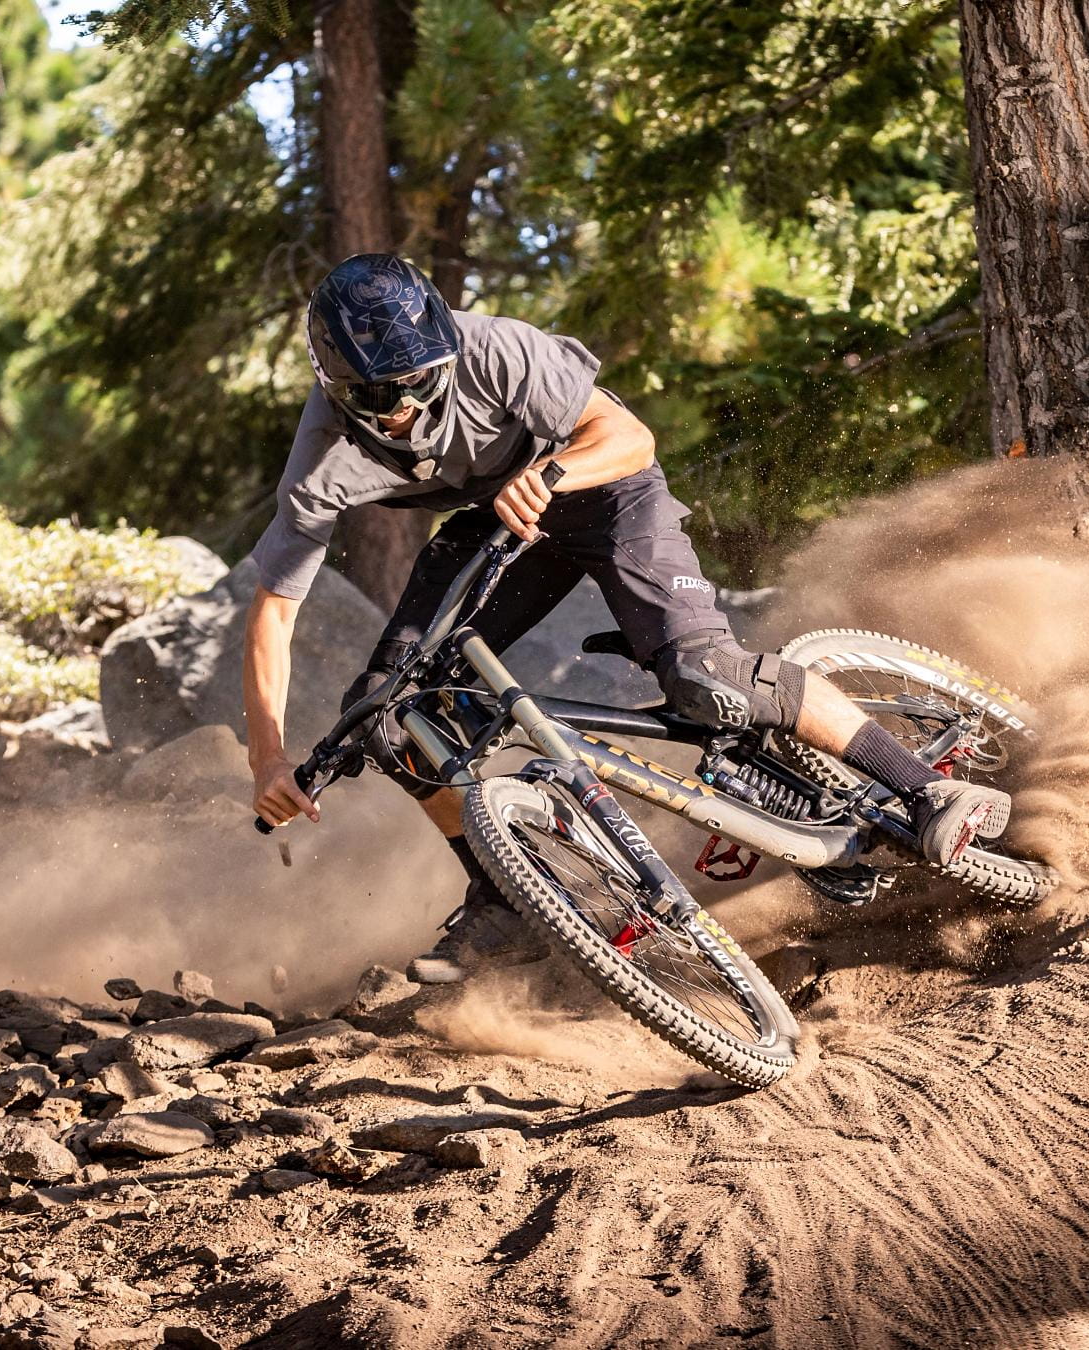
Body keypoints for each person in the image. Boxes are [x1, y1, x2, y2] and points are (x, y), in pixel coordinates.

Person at [244, 254, 1011, 984]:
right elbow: (274, 611)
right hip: (501, 519)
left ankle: (924, 789)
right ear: (337, 391)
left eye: (417, 382)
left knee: (703, 677)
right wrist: (268, 761)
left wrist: (548, 473)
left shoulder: (498, 350)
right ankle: (504, 896)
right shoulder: (320, 461)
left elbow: (629, 436)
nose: (403, 408)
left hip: (606, 488)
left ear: (446, 346)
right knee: (391, 716)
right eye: (376, 397)